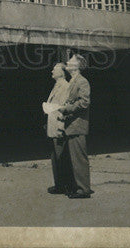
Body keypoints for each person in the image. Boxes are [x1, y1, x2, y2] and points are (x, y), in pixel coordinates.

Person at [59, 54, 92, 198]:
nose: (67, 62)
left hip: (77, 126)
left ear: (77, 66)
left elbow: (84, 102)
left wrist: (67, 109)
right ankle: (76, 186)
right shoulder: (72, 81)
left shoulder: (82, 82)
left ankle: (83, 189)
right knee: (72, 158)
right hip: (70, 125)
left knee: (79, 159)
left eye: (70, 61)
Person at [42, 62, 70, 194]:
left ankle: (64, 185)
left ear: (62, 72)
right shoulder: (57, 85)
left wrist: (61, 127)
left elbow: (63, 107)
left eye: (55, 69)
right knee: (55, 157)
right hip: (52, 126)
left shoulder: (65, 86)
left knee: (61, 157)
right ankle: (59, 184)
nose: (52, 70)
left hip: (58, 126)